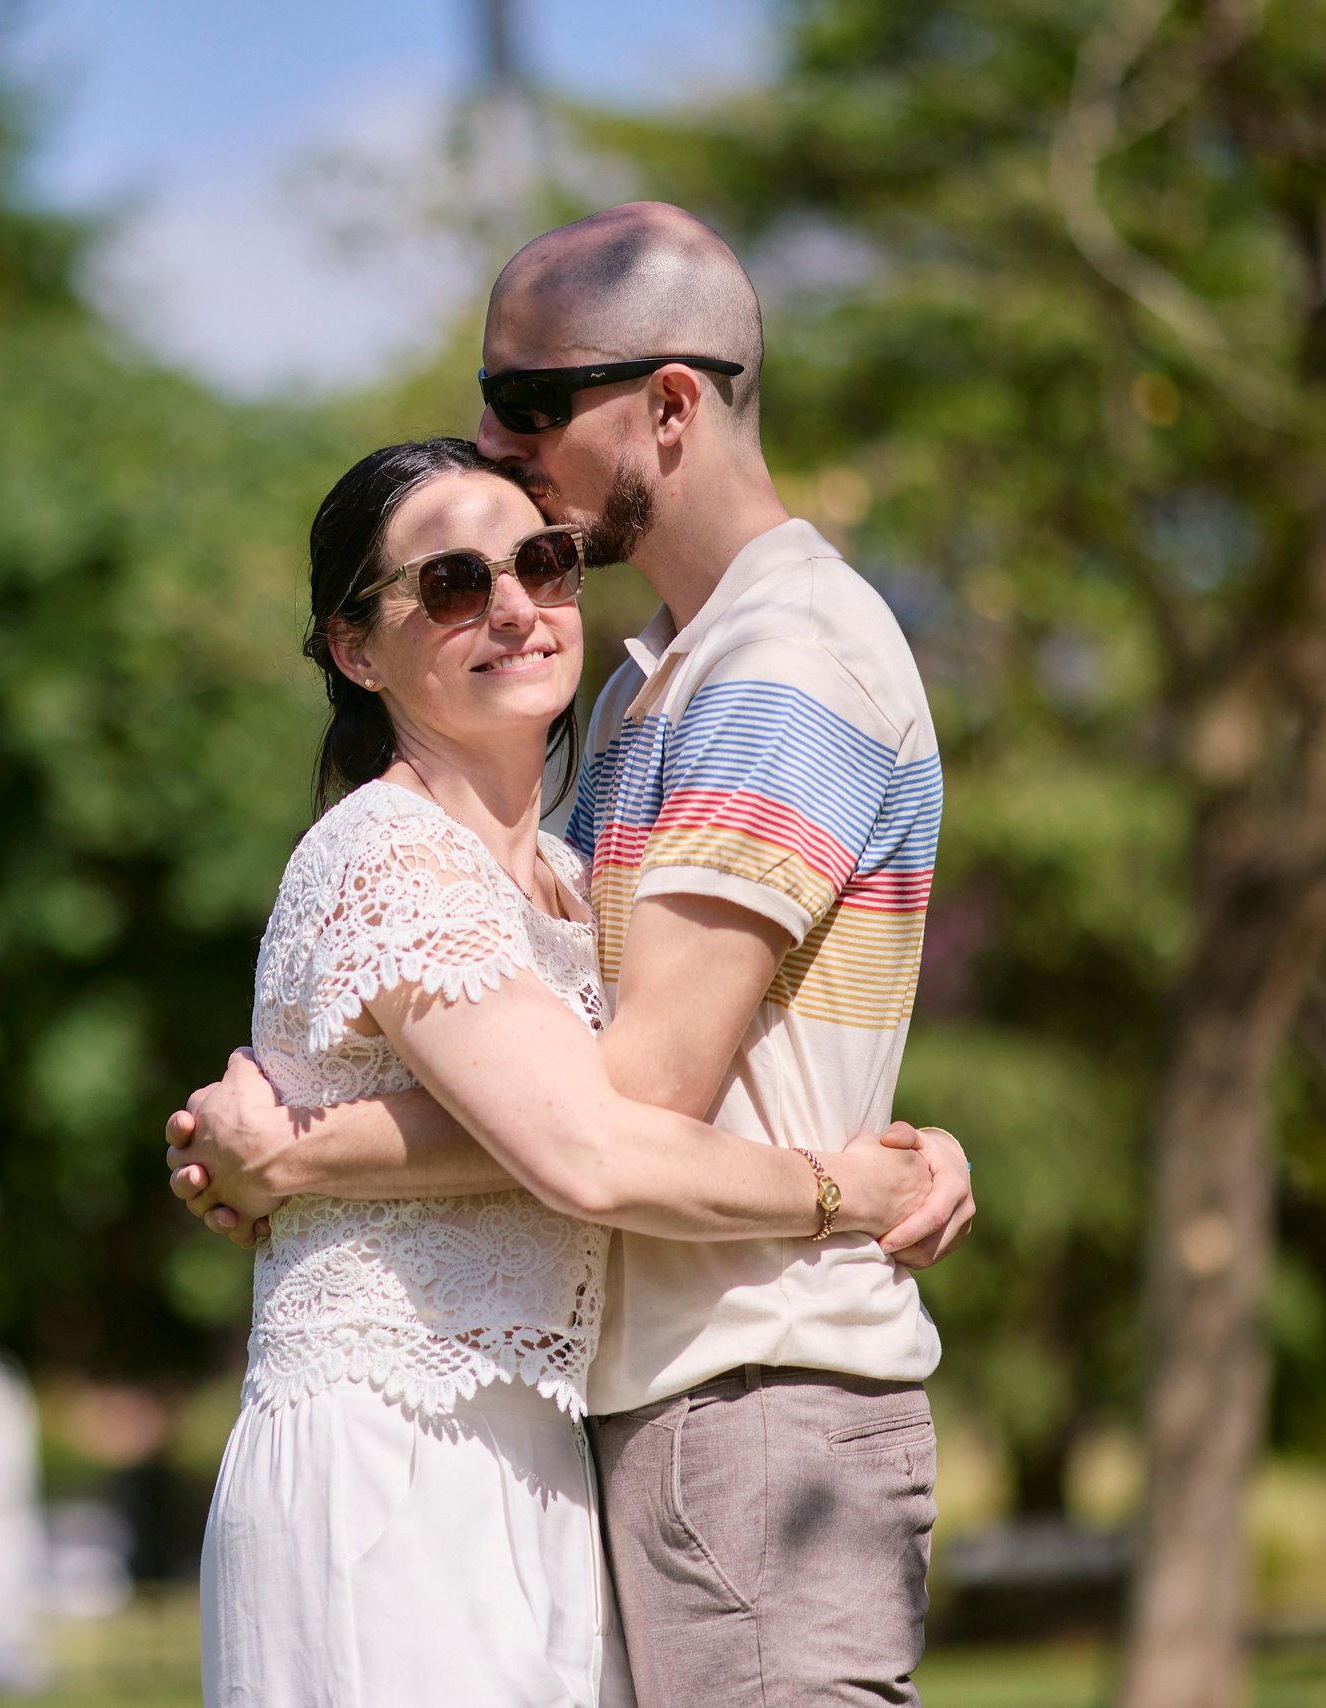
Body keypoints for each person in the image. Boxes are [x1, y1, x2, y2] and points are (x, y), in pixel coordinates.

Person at [171, 204, 973, 1707]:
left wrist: (302, 1154)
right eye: (457, 582)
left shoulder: (776, 665)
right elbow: (588, 1097)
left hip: (748, 1374)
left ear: (672, 406)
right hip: (611, 1406)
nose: (496, 436)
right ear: (358, 645)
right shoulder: (644, 697)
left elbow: (623, 1099)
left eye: (532, 404)